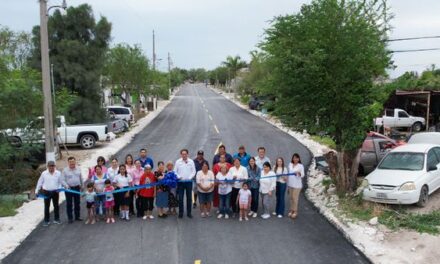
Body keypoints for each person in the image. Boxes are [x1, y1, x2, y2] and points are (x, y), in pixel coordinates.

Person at [35, 161, 66, 226]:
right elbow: (40, 182)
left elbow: (61, 181)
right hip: (46, 192)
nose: (51, 167)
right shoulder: (44, 173)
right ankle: (46, 221)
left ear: (54, 166)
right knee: (46, 207)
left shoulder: (58, 173)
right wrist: (36, 190)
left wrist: (62, 187)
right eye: (50, 166)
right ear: (48, 167)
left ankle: (57, 219)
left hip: (55, 192)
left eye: (53, 166)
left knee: (56, 206)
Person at [175, 149, 196, 218]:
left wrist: (189, 178)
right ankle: (181, 213)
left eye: (185, 154)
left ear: (187, 154)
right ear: (181, 155)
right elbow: (175, 171)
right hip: (180, 182)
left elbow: (194, 171)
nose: (184, 155)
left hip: (188, 183)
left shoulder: (191, 161)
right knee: (180, 198)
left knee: (189, 198)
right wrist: (179, 177)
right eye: (183, 154)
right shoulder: (178, 162)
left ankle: (189, 213)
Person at [62, 156, 83, 223]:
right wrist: (66, 186)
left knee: (77, 203)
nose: (72, 163)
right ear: (68, 162)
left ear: (75, 161)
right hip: (69, 189)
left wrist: (82, 185)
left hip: (77, 188)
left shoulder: (78, 168)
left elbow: (81, 178)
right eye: (71, 162)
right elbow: (62, 180)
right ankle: (70, 218)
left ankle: (77, 216)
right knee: (69, 203)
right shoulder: (65, 170)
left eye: (73, 162)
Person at [287, 153, 305, 219]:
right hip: (290, 184)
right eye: (294, 158)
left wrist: (299, 173)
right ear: (292, 158)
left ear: (299, 159)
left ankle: (295, 211)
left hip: (297, 185)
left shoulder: (300, 166)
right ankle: (291, 210)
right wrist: (288, 185)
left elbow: (303, 175)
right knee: (291, 198)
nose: (295, 159)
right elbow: (288, 175)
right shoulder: (290, 164)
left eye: (297, 158)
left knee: (295, 198)